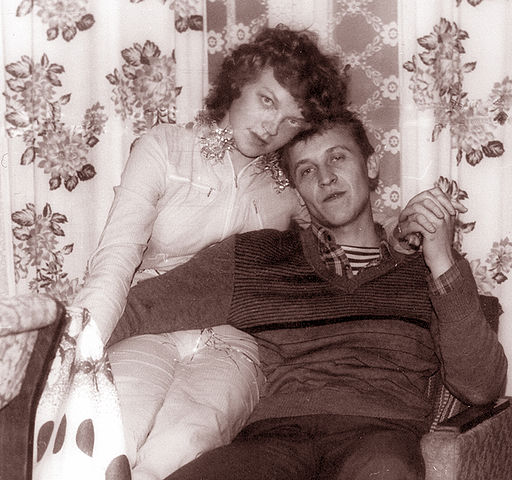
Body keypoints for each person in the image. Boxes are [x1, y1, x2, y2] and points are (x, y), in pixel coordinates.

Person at [110, 111, 507, 480]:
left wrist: (441, 259)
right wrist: (74, 350)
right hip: (271, 440)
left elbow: (480, 387)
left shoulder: (427, 271)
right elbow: (140, 308)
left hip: (380, 435)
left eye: (337, 158)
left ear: (371, 166)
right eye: (307, 170)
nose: (325, 177)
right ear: (299, 193)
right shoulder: (257, 256)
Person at [71, 25, 350, 479]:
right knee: (111, 436)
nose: (271, 127)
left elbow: (340, 240)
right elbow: (115, 259)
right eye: (267, 100)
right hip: (148, 328)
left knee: (184, 446)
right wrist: (77, 350)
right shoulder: (165, 148)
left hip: (233, 346)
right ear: (239, 82)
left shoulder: (288, 191)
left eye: (291, 121)